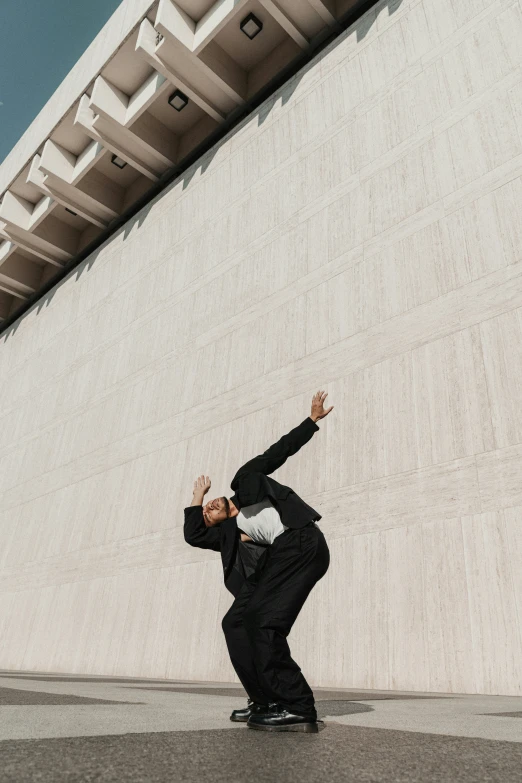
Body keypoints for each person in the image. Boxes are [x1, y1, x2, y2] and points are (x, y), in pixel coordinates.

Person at [184, 391, 333, 733]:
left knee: (263, 621)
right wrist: (196, 497)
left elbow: (276, 453)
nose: (208, 509)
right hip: (280, 560)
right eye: (207, 513)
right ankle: (264, 700)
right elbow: (193, 534)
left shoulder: (246, 481)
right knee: (236, 623)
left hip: (302, 543)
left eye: (209, 506)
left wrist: (310, 422)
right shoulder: (231, 533)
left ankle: (297, 706)